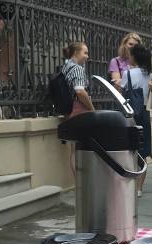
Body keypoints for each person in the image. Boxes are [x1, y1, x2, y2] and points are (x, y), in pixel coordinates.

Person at [120, 43, 152, 197]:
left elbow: (122, 96)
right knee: (143, 150)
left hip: (130, 115)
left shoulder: (127, 74)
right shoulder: (151, 76)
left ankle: (129, 184)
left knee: (129, 150)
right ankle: (139, 188)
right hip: (145, 115)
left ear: (134, 57)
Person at [61, 42, 95, 176]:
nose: (87, 56)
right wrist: (92, 108)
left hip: (69, 110)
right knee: (83, 149)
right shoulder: (77, 69)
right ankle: (83, 183)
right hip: (79, 110)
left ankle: (80, 184)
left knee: (74, 149)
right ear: (76, 53)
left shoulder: (65, 67)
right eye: (85, 53)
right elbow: (80, 91)